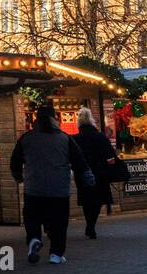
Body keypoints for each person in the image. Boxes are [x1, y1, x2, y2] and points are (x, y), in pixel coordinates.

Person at [10, 103, 94, 264]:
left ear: (36, 119)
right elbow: (79, 162)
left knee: (32, 218)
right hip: (59, 189)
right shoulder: (64, 138)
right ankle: (56, 253)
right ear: (54, 119)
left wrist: (19, 177)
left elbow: (15, 161)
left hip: (33, 188)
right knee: (59, 222)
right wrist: (88, 180)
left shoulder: (27, 138)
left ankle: (34, 239)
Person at [72, 106, 118, 239]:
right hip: (100, 171)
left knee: (86, 199)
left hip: (82, 172)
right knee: (98, 199)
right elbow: (111, 154)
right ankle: (91, 225)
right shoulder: (100, 137)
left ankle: (89, 224)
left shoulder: (75, 139)